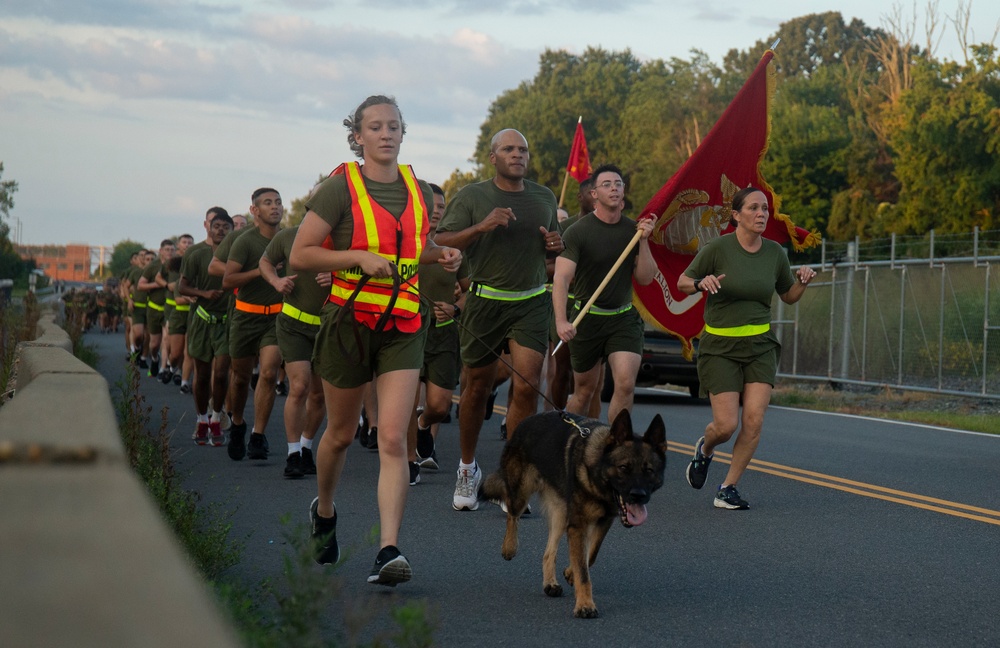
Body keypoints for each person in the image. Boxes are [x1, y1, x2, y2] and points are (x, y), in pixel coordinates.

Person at [290, 95, 461, 586]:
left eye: (393, 126)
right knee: (340, 435)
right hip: (349, 322)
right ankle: (324, 510)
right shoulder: (338, 188)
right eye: (375, 127)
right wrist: (356, 257)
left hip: (404, 325)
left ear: (403, 133)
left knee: (392, 437)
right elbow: (301, 255)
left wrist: (440, 255)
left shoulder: (419, 188)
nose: (386, 134)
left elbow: (414, 250)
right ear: (358, 136)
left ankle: (389, 549)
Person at [434, 128, 562, 512]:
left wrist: (556, 245)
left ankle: (512, 475)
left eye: (523, 149)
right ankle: (468, 467)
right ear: (493, 157)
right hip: (485, 300)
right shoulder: (474, 196)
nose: (517, 154)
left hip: (530, 301)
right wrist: (481, 226)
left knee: (527, 386)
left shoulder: (544, 196)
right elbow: (441, 241)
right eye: (508, 149)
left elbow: (553, 249)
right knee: (476, 389)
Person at [680, 187, 817, 510]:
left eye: (765, 209)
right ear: (736, 215)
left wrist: (803, 282)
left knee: (754, 421)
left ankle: (728, 488)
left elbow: (788, 295)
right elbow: (684, 282)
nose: (761, 214)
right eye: (753, 208)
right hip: (721, 347)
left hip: (760, 345)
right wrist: (702, 283)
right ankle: (705, 450)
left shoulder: (774, 253)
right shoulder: (718, 248)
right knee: (725, 426)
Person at [552, 164, 655, 423]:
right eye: (606, 184)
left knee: (625, 384)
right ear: (594, 194)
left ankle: (614, 444)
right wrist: (561, 322)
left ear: (623, 191)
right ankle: (570, 440)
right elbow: (562, 279)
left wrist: (644, 241)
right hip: (587, 318)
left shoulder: (634, 231)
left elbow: (645, 277)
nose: (614, 188)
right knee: (584, 390)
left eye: (618, 184)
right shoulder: (578, 231)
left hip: (623, 318)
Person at [409, 183, 470, 485]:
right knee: (406, 398)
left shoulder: (454, 252)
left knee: (439, 406)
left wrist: (456, 308)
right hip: (408, 330)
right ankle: (409, 462)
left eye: (441, 206)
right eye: (430, 204)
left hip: (444, 334)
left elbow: (473, 291)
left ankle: (423, 425)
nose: (435, 210)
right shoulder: (404, 244)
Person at [259, 223, 330, 479]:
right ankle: (292, 453)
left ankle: (306, 446)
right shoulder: (289, 236)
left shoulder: (345, 239)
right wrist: (276, 281)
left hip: (327, 326)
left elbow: (360, 272)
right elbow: (265, 261)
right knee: (299, 386)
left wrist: (338, 277)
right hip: (293, 324)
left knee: (319, 395)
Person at [222, 188, 286, 463]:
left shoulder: (288, 239)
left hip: (277, 317)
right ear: (255, 211)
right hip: (246, 316)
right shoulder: (244, 241)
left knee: (269, 374)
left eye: (278, 202)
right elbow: (228, 280)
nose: (275, 207)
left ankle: (258, 436)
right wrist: (263, 271)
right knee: (240, 378)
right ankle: (237, 423)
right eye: (268, 203)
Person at [179, 210, 234, 446]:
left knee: (221, 374)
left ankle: (215, 417)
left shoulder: (236, 254)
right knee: (201, 376)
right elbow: (182, 287)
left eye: (225, 226)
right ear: (208, 228)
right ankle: (201, 420)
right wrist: (204, 294)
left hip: (227, 321)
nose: (221, 230)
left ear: (231, 230)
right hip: (201, 319)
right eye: (216, 225)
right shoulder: (195, 253)